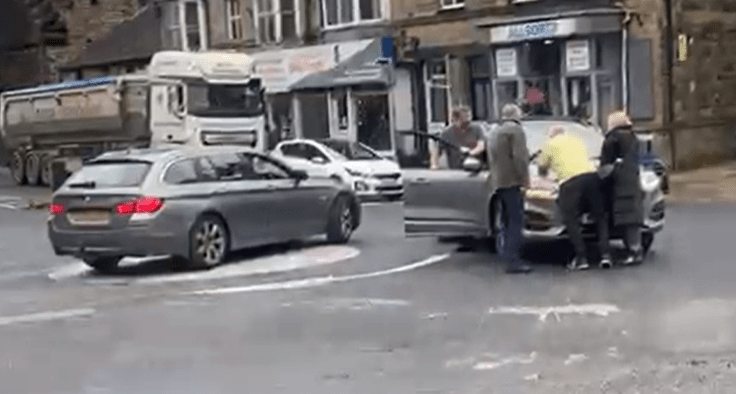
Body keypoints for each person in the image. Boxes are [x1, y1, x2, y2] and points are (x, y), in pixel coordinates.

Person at [537, 126, 612, 270]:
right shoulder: (576, 140)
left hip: (570, 182)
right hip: (591, 177)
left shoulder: (550, 144)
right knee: (600, 217)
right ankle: (605, 255)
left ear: (551, 135)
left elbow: (542, 167)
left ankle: (581, 258)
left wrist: (549, 173)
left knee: (571, 219)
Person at [490, 103, 533, 274]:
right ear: (516, 115)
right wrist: (525, 179)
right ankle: (514, 261)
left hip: (498, 182)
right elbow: (519, 157)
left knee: (505, 221)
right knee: (516, 220)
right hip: (512, 181)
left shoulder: (495, 131)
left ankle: (505, 253)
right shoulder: (516, 131)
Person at [601, 111, 644, 265]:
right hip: (632, 180)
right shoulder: (633, 138)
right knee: (632, 219)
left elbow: (605, 163)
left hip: (618, 182)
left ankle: (633, 251)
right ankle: (635, 249)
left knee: (625, 217)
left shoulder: (612, 139)